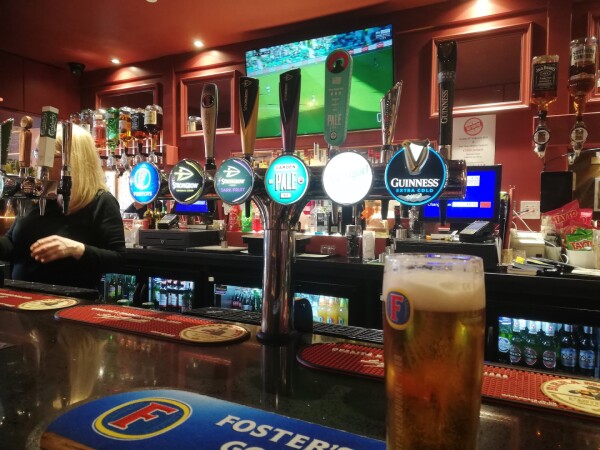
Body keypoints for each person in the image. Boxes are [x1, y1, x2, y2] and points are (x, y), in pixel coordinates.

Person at [0, 124, 126, 290]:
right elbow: (11, 244)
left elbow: (119, 260)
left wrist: (76, 249)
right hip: (22, 295)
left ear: (73, 160)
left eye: (47, 156)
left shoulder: (101, 201)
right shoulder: (37, 196)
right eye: (37, 153)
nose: (38, 162)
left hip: (70, 300)